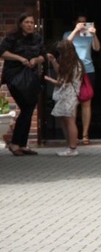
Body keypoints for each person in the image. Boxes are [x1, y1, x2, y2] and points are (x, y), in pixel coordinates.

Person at [0, 13, 46, 156]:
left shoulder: (37, 38)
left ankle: (21, 144)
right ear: (20, 24)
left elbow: (44, 55)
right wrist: (20, 58)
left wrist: (36, 60)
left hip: (30, 78)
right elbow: (2, 52)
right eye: (27, 22)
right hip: (14, 77)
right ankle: (15, 144)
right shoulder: (12, 37)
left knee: (29, 108)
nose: (30, 25)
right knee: (26, 106)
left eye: (32, 22)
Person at [63, 15, 101, 145]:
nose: (82, 24)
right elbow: (65, 45)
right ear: (75, 22)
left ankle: (85, 134)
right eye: (80, 22)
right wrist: (75, 30)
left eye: (85, 22)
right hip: (72, 71)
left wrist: (94, 35)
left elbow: (97, 48)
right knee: (73, 102)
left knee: (86, 102)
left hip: (88, 70)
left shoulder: (88, 35)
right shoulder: (68, 34)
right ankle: (74, 134)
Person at [44, 40, 84, 157]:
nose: (59, 54)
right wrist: (53, 61)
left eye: (60, 52)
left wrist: (47, 78)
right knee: (64, 120)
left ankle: (72, 147)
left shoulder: (71, 65)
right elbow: (60, 72)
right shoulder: (74, 63)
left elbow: (60, 82)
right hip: (67, 95)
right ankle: (69, 145)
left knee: (69, 121)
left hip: (68, 95)